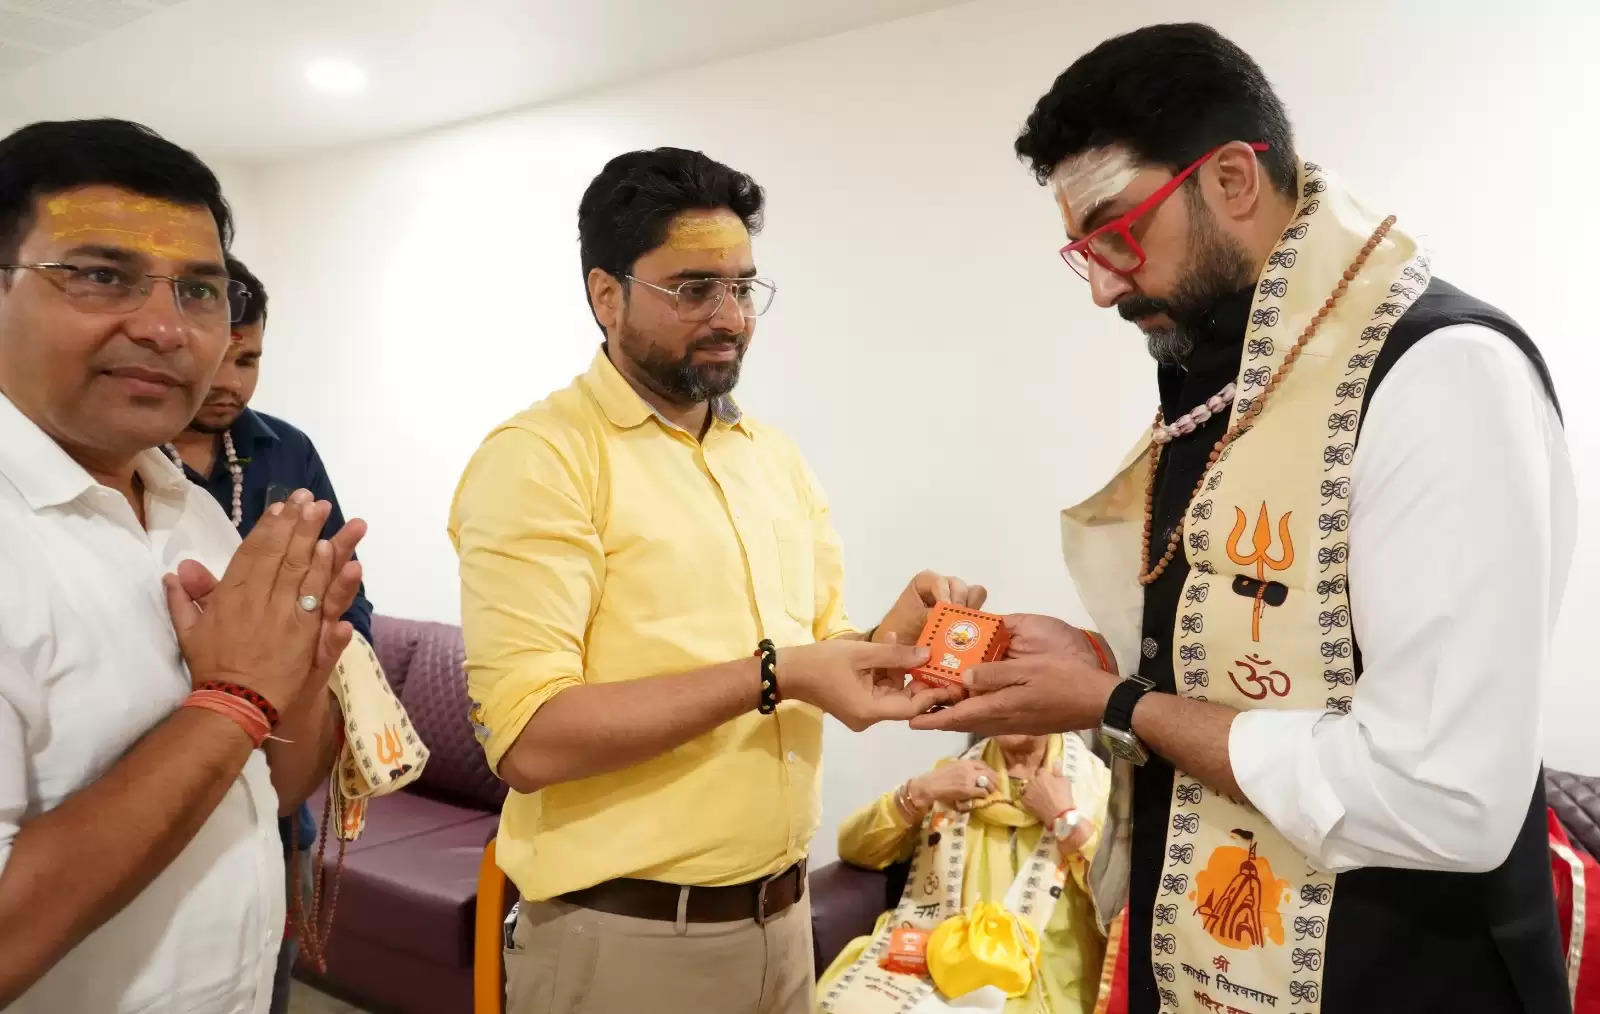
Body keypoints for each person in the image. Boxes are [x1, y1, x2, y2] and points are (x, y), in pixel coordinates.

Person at [912, 24, 1575, 1014]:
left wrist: (1115, 705)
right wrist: (1099, 660)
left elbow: (1448, 802)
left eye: (1114, 234)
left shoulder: (1438, 373)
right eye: (1081, 251)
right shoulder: (1230, 374)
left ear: (1228, 180)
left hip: (1398, 970)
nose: (1099, 286)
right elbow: (1277, 663)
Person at [449, 147, 979, 1014]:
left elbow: (815, 650)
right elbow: (532, 740)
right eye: (694, 289)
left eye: (743, 286)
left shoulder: (769, 454)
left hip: (784, 919)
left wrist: (893, 639)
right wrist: (779, 674)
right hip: (624, 943)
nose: (731, 315)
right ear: (605, 294)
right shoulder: (540, 459)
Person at [0, 118, 365, 1012]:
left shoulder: (187, 506)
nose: (167, 328)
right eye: (98, 275)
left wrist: (302, 673)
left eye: (201, 292)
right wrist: (235, 696)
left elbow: (276, 783)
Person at [163, 253, 374, 1014]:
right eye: (216, 359)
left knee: (263, 981)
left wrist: (318, 658)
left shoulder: (286, 449)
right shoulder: (119, 454)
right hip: (159, 787)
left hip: (279, 805)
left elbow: (352, 607)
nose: (229, 382)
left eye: (247, 359)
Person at [818, 732, 1111, 1013]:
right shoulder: (957, 776)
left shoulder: (1095, 786)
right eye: (997, 690)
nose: (1010, 707)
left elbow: (1119, 895)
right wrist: (920, 791)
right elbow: (857, 848)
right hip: (942, 961)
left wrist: (1065, 818)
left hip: (1044, 976)